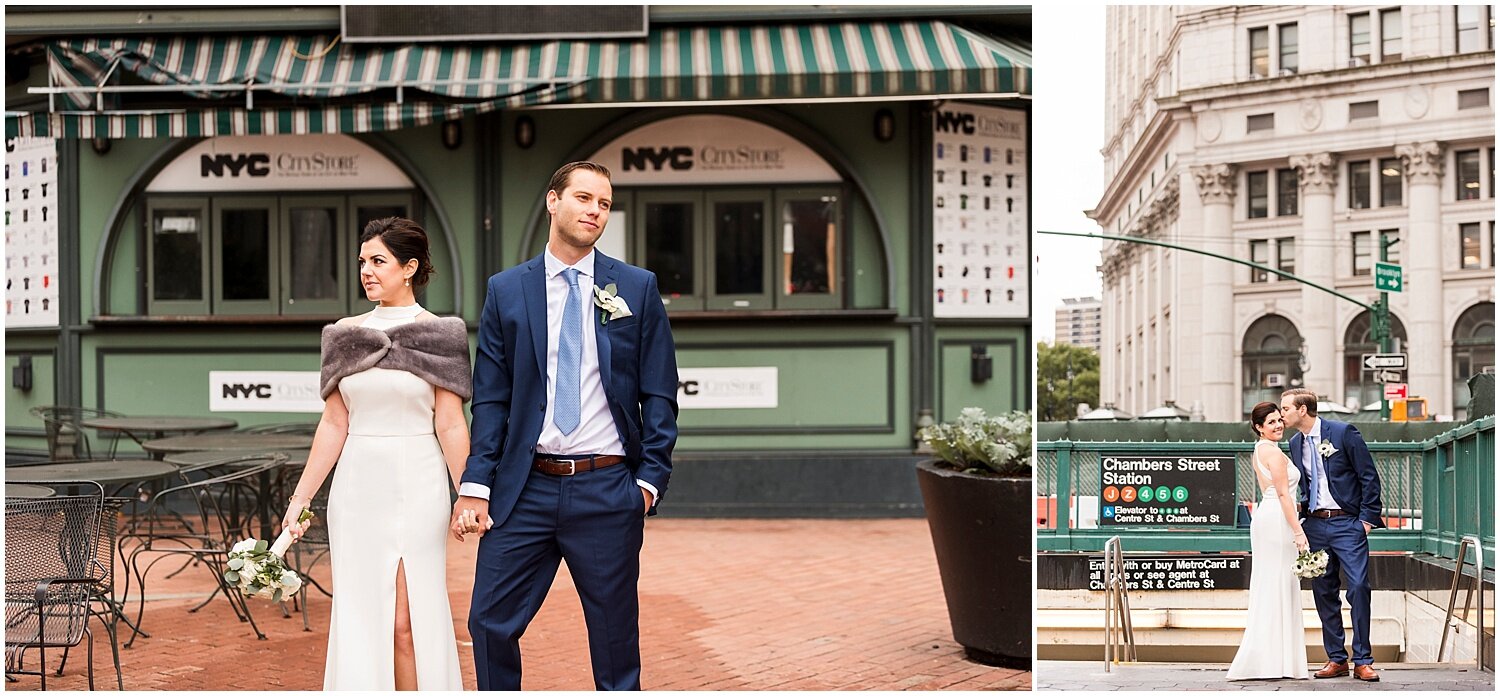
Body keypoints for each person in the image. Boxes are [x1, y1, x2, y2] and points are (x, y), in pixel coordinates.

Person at [451, 161, 678, 690]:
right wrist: (477, 484)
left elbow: (659, 390)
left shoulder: (636, 288)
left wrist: (647, 483)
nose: (594, 210)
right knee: (487, 622)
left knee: (615, 637)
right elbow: (492, 399)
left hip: (606, 489)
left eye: (603, 203)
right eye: (583, 198)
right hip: (523, 489)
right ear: (553, 202)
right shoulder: (507, 290)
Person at [281, 217, 471, 690]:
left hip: (420, 483)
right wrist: (300, 499)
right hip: (357, 489)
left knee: (406, 624)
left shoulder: (442, 334)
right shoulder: (343, 334)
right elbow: (334, 422)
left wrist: (469, 496)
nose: (366, 270)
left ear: (409, 268)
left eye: (378, 261)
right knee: (363, 618)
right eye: (362, 261)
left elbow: (449, 423)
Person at [1281, 387, 1384, 683]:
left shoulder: (1342, 433)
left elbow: (1368, 476)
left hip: (1348, 524)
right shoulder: (1294, 442)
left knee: (1359, 587)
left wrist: (1366, 520)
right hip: (1315, 525)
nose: (1282, 412)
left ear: (1303, 409)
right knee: (1324, 592)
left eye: (1286, 408)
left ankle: (1363, 660)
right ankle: (1337, 658)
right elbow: (1306, 483)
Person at [1227, 402, 1309, 681]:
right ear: (1259, 427)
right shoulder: (1271, 453)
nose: (1277, 425)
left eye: (1279, 420)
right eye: (1271, 422)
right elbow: (1285, 495)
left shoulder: (1263, 450)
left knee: (1273, 584)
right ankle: (1277, 661)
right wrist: (1298, 532)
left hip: (1269, 516)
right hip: (1277, 519)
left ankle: (1273, 660)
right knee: (1279, 584)